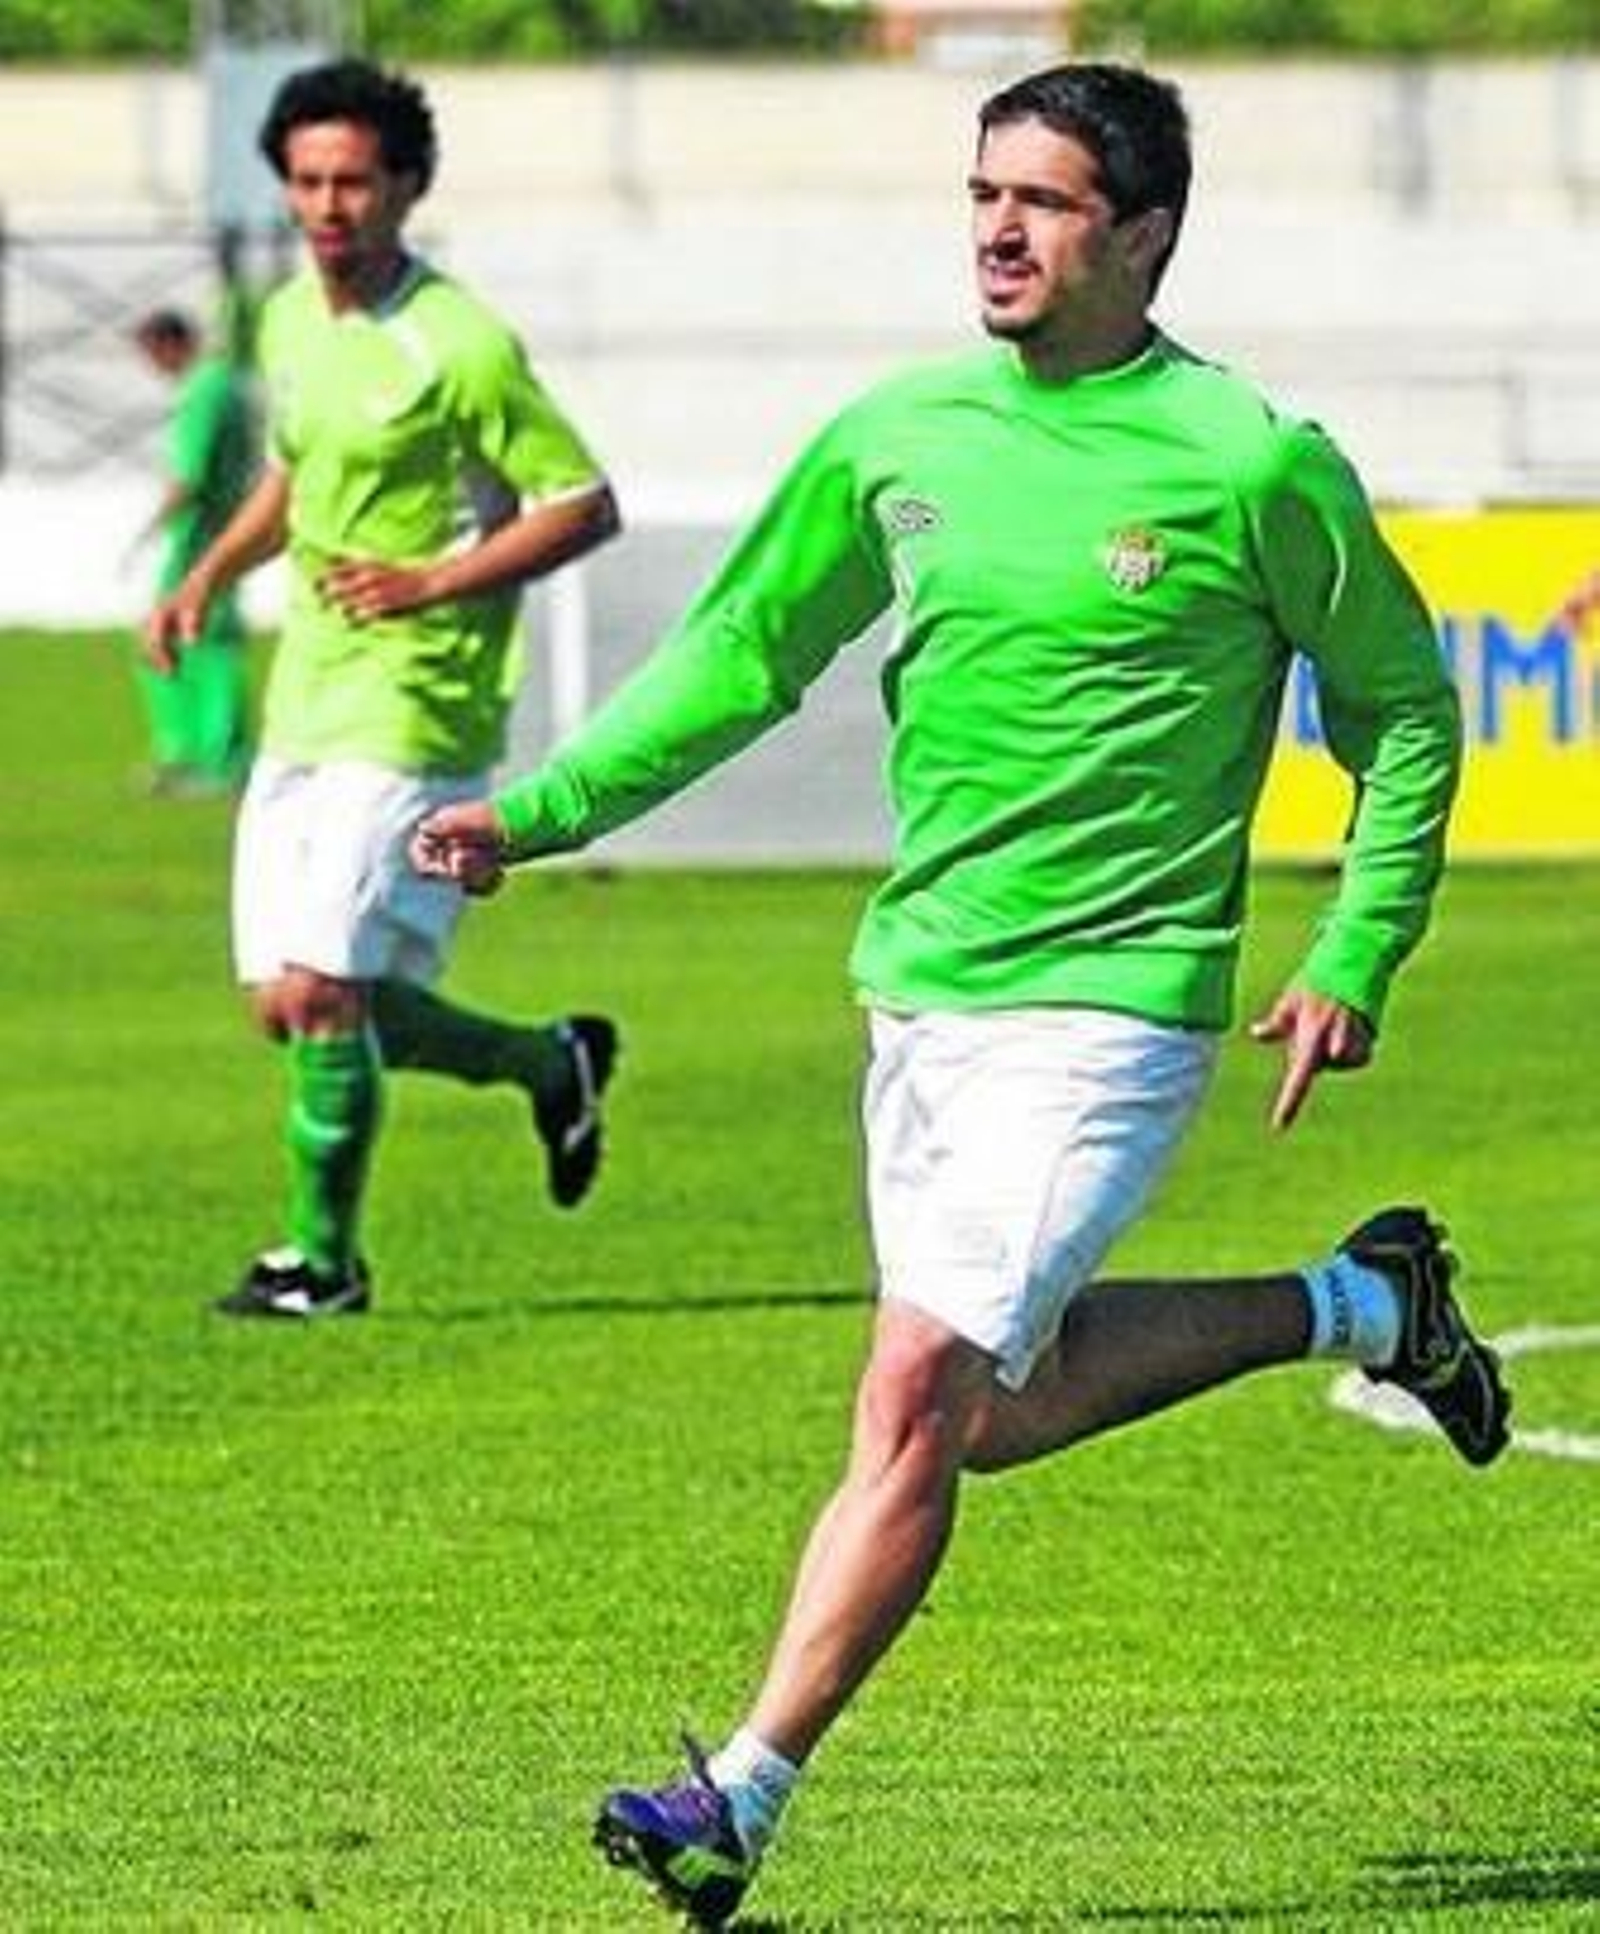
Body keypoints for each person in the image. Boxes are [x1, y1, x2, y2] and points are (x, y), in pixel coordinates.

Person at [413, 62, 1511, 1925]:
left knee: (914, 1387)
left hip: (1116, 1008)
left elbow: (1404, 714)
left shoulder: (1252, 463)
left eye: (1048, 202)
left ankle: (736, 1794)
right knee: (994, 1405)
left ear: (1146, 233)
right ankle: (1367, 1296)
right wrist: (539, 810)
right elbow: (744, 654)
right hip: (919, 994)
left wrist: (1353, 946)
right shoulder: (900, 431)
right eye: (983, 192)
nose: (1000, 230)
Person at [147, 57, 622, 1320]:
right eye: (306, 181)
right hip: (309, 691)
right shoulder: (290, 317)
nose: (327, 206)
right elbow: (295, 479)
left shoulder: (456, 340)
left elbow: (584, 503)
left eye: (353, 180)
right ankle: (548, 1061)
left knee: (325, 990)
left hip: (419, 699)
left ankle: (323, 1265)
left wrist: (431, 582)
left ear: (405, 186)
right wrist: (204, 578)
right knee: (289, 1005)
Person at [130, 306, 257, 795]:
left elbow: (189, 474)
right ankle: (196, 753)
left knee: (193, 641)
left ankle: (207, 756)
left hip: (201, 540)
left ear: (168, 344)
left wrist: (150, 529)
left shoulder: (205, 390)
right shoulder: (226, 384)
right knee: (194, 640)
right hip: (219, 533)